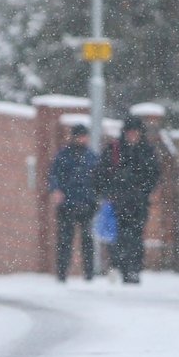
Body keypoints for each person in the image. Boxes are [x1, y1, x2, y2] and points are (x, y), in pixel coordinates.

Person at [93, 115, 160, 284]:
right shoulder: (114, 150)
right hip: (118, 202)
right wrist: (109, 192)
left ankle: (134, 269)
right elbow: (101, 174)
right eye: (130, 132)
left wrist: (143, 191)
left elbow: (154, 175)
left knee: (136, 236)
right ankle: (120, 266)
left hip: (138, 202)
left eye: (135, 133)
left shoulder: (147, 151)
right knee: (119, 236)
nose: (132, 136)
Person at [48, 123, 99, 282]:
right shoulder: (64, 155)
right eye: (80, 136)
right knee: (65, 240)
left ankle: (89, 273)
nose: (82, 139)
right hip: (67, 204)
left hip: (86, 204)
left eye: (84, 136)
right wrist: (56, 190)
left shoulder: (91, 157)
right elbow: (54, 175)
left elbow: (99, 178)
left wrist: (95, 197)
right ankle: (62, 273)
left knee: (87, 240)